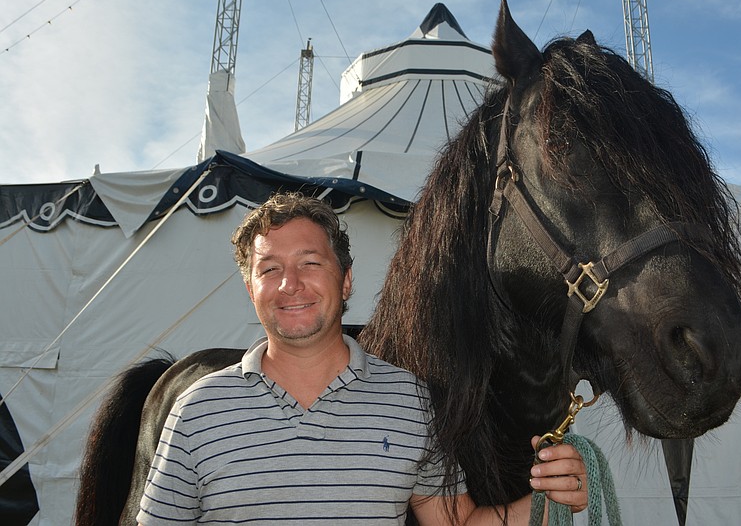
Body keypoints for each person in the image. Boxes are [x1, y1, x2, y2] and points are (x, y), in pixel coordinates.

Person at [137, 192, 587, 525]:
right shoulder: (198, 409)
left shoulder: (410, 400)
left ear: (347, 279)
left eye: (310, 263)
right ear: (250, 289)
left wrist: (551, 500)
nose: (289, 283)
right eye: (269, 269)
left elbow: (458, 524)